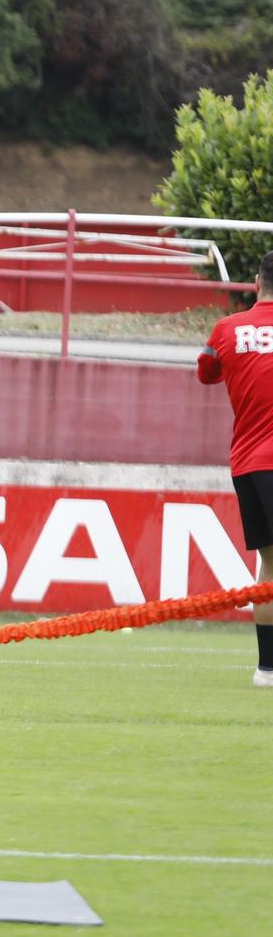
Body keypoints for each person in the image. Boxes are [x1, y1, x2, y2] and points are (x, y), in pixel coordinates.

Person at [196, 250, 273, 688]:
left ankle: (267, 669)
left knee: (269, 566)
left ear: (256, 282)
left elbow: (206, 372)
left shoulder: (228, 329)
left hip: (247, 463)